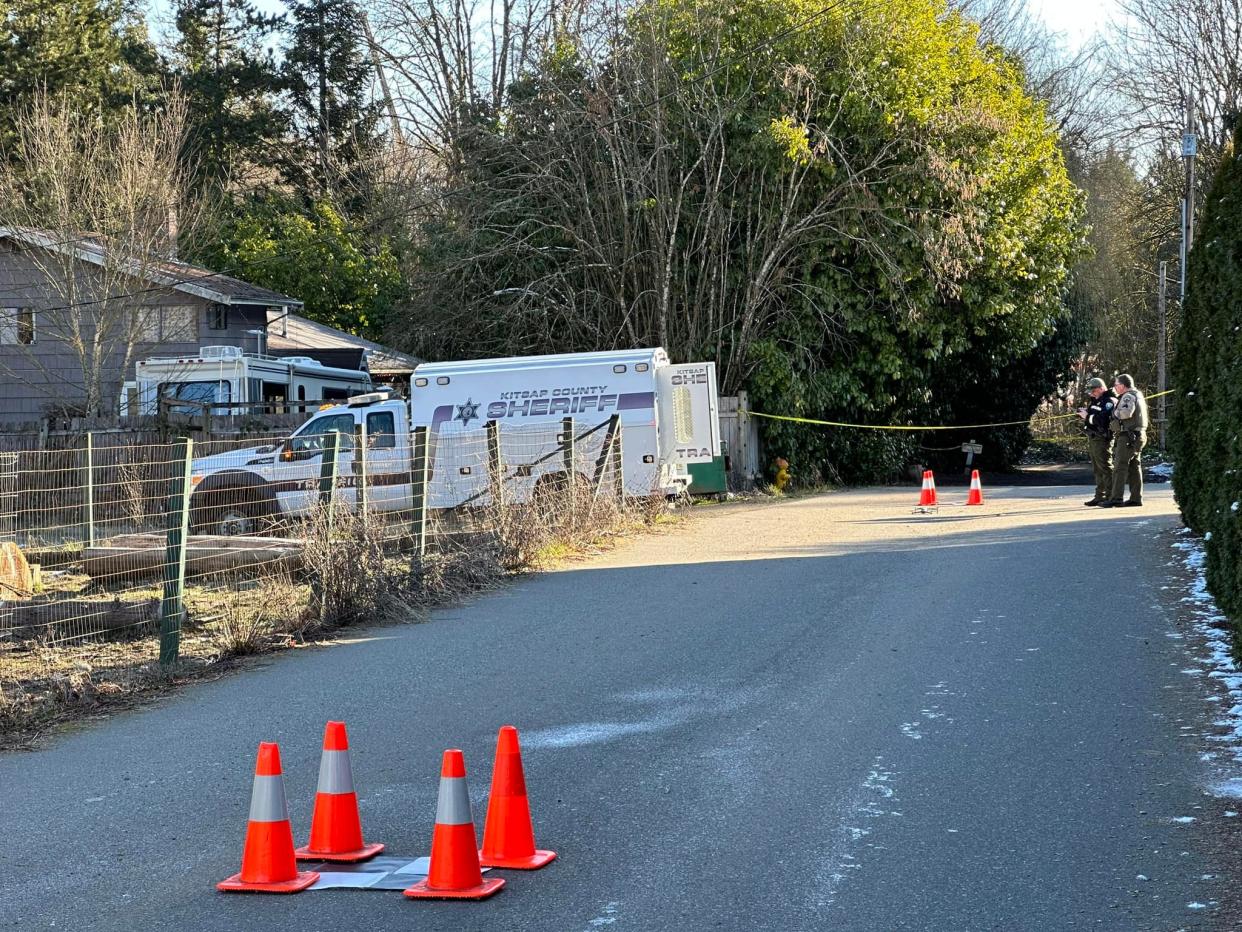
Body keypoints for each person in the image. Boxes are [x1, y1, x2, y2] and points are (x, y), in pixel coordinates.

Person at [1099, 373, 1147, 508]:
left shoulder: (1128, 396)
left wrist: (1114, 411)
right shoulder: (1138, 395)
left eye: (1116, 385)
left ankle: (1116, 498)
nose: (1114, 387)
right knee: (1134, 466)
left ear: (1123, 385)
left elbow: (1126, 413)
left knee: (1120, 467)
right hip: (1137, 435)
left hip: (1128, 436)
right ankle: (1136, 498)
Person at [1077, 377, 1116, 506]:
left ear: (1101, 388)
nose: (1091, 394)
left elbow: (1103, 420)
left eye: (1093, 391)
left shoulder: (1109, 401)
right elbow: (1094, 416)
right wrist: (1086, 413)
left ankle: (1110, 496)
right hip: (1093, 437)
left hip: (1102, 438)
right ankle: (1100, 495)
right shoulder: (1095, 401)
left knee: (1105, 467)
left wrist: (1087, 416)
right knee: (1097, 469)